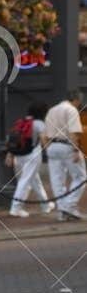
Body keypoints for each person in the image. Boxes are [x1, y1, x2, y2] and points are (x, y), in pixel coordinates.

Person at [41, 91, 85, 221]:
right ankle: (69, 206)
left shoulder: (52, 110)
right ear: (76, 100)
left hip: (52, 146)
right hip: (67, 146)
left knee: (57, 180)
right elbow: (74, 132)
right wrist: (77, 150)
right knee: (81, 177)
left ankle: (62, 211)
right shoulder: (71, 110)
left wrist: (47, 147)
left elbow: (44, 134)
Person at [5, 101, 51, 219]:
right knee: (25, 182)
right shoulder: (39, 123)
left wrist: (10, 155)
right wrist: (49, 148)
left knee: (35, 180)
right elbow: (43, 140)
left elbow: (13, 140)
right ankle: (15, 208)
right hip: (33, 155)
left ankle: (45, 205)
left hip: (19, 155)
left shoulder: (22, 121)